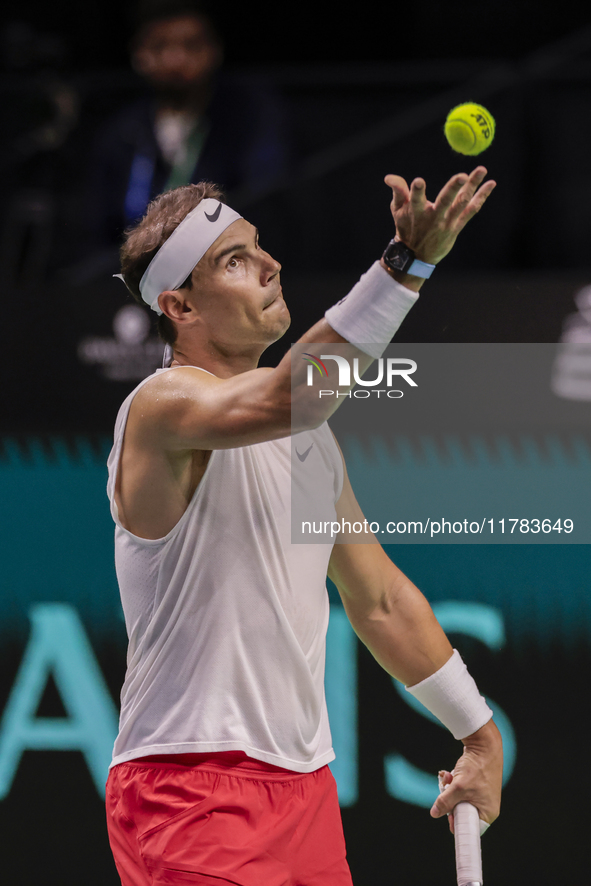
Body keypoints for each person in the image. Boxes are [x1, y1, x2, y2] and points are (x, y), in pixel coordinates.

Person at [105, 168, 502, 885]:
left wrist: (476, 732)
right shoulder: (160, 407)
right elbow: (293, 396)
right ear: (179, 306)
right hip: (189, 787)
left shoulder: (309, 442)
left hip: (304, 792)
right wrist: (406, 264)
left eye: (258, 247)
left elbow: (377, 598)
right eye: (235, 260)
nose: (269, 265)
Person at [85, 0, 290, 250]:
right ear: (138, 54)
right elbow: (100, 224)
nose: (176, 60)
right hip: (136, 276)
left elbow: (265, 203)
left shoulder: (250, 119)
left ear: (215, 50)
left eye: (191, 46)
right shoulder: (122, 132)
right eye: (159, 47)